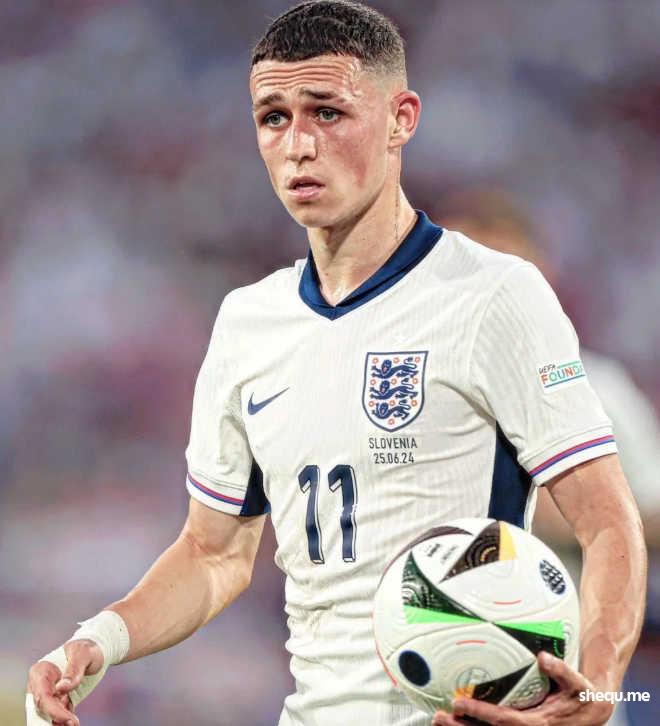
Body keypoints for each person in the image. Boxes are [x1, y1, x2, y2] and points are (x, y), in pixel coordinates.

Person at [27, 2, 647, 725]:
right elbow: (213, 553)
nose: (298, 145)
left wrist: (599, 686)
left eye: (327, 112)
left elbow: (608, 521)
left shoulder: (495, 295)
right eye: (273, 117)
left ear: (400, 119)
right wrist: (96, 641)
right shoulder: (248, 322)